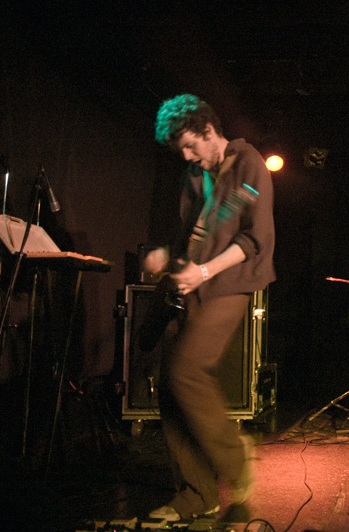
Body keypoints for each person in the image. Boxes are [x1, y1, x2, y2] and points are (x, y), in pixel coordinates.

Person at [143, 94, 276, 521]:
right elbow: (189, 235)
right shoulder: (194, 176)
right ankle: (197, 494)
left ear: (207, 130)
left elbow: (254, 239)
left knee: (187, 371)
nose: (187, 155)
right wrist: (166, 256)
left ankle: (236, 459)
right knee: (169, 388)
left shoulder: (248, 163)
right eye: (179, 150)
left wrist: (204, 272)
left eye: (189, 145)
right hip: (194, 288)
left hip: (231, 283)